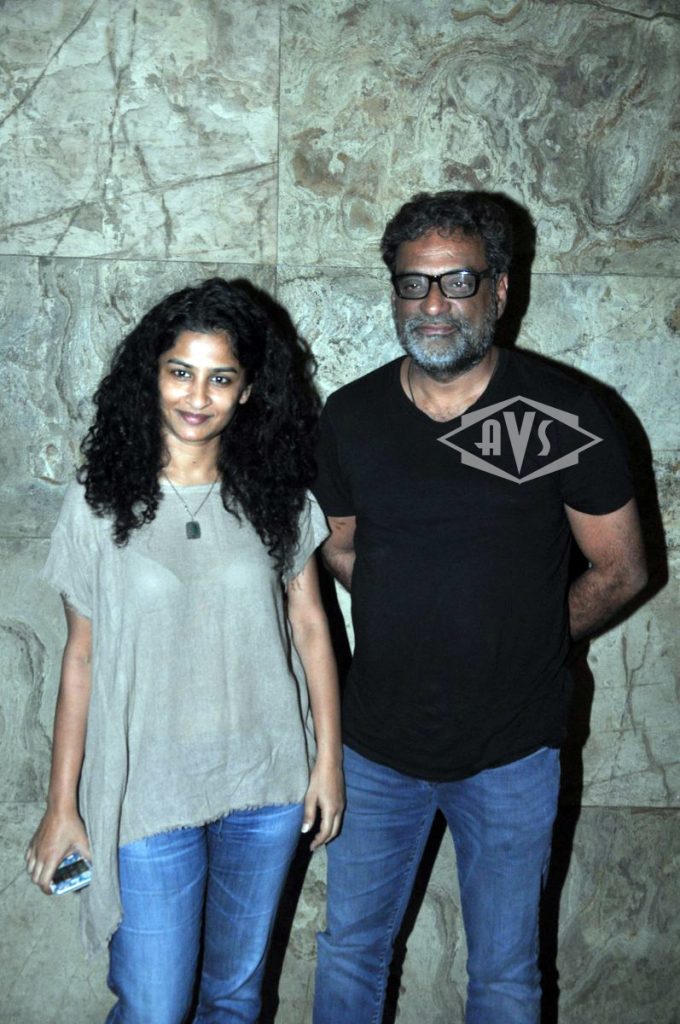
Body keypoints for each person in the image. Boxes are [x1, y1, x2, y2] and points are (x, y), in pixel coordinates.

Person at [311, 191, 647, 1023]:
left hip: (511, 752)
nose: (434, 304)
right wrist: (410, 614)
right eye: (413, 283)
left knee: (503, 976)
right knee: (349, 953)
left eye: (458, 281)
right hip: (374, 749)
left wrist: (523, 634)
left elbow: (622, 569)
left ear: (499, 289)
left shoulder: (559, 414)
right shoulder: (351, 416)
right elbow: (340, 546)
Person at [26, 277, 344, 1024]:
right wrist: (62, 804)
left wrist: (327, 760)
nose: (197, 396)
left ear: (247, 390)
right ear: (153, 375)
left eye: (220, 378)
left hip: (265, 781)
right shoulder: (97, 503)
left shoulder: (277, 498)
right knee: (154, 1006)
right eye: (180, 372)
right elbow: (80, 658)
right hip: (148, 790)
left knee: (233, 999)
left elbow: (311, 630)